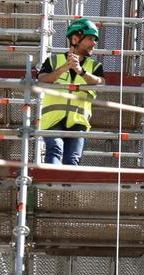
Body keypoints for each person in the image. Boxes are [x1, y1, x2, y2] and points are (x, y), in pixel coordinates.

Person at [37, 18, 105, 166]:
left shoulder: (95, 66)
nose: (94, 43)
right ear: (75, 38)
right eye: (90, 38)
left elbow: (101, 82)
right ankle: (51, 186)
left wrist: (81, 72)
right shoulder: (53, 61)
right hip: (52, 120)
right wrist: (64, 68)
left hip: (79, 122)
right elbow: (42, 79)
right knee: (55, 149)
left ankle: (63, 188)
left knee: (72, 159)